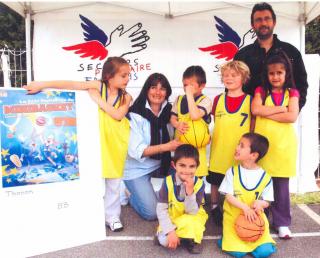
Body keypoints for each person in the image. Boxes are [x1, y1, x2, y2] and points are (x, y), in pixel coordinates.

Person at [24, 56, 132, 232]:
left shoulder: (126, 97)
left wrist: (97, 99)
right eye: (123, 75)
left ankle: (112, 217)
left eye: (128, 75)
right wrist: (42, 84)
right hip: (96, 140)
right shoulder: (98, 86)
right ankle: (90, 215)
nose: (127, 79)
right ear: (109, 76)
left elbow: (118, 115)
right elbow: (71, 84)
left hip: (115, 144)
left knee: (114, 182)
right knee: (93, 179)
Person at [252, 51, 299, 239]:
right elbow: (256, 109)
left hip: (284, 147)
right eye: (272, 73)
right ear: (267, 74)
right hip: (263, 147)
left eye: (280, 72)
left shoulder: (292, 93)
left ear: (287, 73)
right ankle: (259, 220)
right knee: (261, 185)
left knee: (281, 187)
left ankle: (282, 223)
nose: (275, 76)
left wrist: (266, 112)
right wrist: (280, 109)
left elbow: (292, 116)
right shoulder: (261, 91)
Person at [123, 73, 181, 220]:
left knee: (181, 193)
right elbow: (137, 152)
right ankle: (131, 195)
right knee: (152, 213)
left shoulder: (171, 111)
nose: (157, 92)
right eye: (153, 87)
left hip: (163, 163)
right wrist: (167, 146)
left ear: (167, 92)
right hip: (137, 168)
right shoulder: (135, 113)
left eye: (162, 89)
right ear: (146, 90)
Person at [234, 2, 308, 111]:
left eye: (267, 18)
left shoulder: (291, 52)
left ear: (274, 22)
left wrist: (292, 111)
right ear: (252, 25)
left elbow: (301, 86)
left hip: (282, 120)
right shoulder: (242, 55)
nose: (263, 23)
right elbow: (232, 87)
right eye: (258, 20)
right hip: (248, 119)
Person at [207, 60, 252, 227]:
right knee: (215, 180)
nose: (229, 78)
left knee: (237, 182)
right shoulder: (218, 99)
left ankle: (237, 208)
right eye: (226, 75)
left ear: (244, 78)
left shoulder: (249, 100)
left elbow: (253, 127)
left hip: (239, 152)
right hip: (219, 150)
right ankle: (214, 206)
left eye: (234, 75)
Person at [218, 132, 276, 258]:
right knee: (238, 253)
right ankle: (225, 238)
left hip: (254, 220)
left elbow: (267, 200)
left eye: (242, 146)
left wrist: (261, 203)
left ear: (253, 155)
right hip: (234, 218)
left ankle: (252, 242)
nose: (237, 147)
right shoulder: (232, 172)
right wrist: (245, 208)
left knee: (264, 252)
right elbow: (228, 196)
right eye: (238, 144)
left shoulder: (265, 177)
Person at [155, 144, 208, 254]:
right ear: (174, 165)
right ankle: (179, 236)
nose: (187, 170)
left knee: (193, 223)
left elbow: (192, 212)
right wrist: (170, 231)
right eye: (182, 165)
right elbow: (161, 209)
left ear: (197, 166)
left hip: (191, 218)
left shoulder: (200, 184)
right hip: (174, 218)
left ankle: (190, 240)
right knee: (165, 241)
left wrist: (190, 192)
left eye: (192, 166)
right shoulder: (167, 182)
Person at [170, 66, 212, 177]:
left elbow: (194, 115)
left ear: (202, 86)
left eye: (191, 85)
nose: (187, 88)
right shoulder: (178, 99)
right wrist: (176, 124)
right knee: (180, 182)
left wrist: (189, 94)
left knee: (196, 184)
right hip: (181, 149)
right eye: (185, 85)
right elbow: (173, 117)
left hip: (197, 152)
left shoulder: (206, 101)